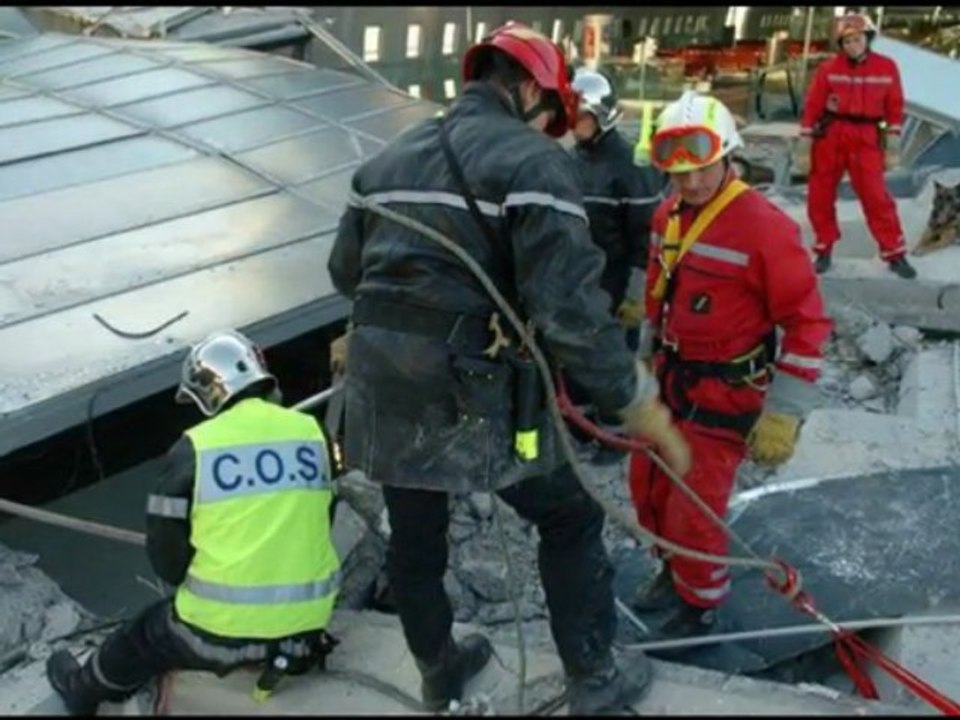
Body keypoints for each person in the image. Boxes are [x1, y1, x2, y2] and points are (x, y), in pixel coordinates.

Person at [327, 22, 691, 715]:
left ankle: (438, 671)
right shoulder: (532, 163)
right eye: (550, 109)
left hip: (381, 384)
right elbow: (569, 314)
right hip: (471, 389)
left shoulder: (385, 161)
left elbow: (345, 272)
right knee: (569, 515)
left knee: (415, 532)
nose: (555, 126)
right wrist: (633, 401)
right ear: (527, 88)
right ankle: (593, 678)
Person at [46, 330, 341, 715]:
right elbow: (324, 516)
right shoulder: (312, 432)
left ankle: (81, 692)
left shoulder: (195, 447)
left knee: (141, 636)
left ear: (207, 393)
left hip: (220, 636)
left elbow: (167, 559)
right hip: (306, 630)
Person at [629, 91, 832, 640]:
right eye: (678, 173)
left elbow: (808, 323)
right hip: (671, 383)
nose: (690, 183)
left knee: (693, 507)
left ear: (728, 156)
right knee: (647, 486)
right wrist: (643, 360)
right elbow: (657, 295)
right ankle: (673, 573)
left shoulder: (764, 227)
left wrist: (784, 412)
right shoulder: (667, 214)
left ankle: (699, 604)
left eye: (701, 169)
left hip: (724, 397)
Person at [793, 12, 916, 279]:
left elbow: (894, 105)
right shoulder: (829, 69)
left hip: (867, 136)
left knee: (876, 196)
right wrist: (805, 143)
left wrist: (892, 142)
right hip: (831, 135)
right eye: (846, 42)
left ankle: (894, 253)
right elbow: (813, 106)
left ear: (867, 38)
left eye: (856, 39)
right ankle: (824, 248)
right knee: (820, 194)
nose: (852, 46)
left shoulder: (887, 67)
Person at [569, 67, 666, 350]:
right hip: (578, 286)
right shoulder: (566, 161)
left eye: (582, 116)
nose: (575, 123)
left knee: (614, 364)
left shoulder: (631, 168)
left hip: (615, 286)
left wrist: (635, 296)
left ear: (602, 115)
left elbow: (646, 238)